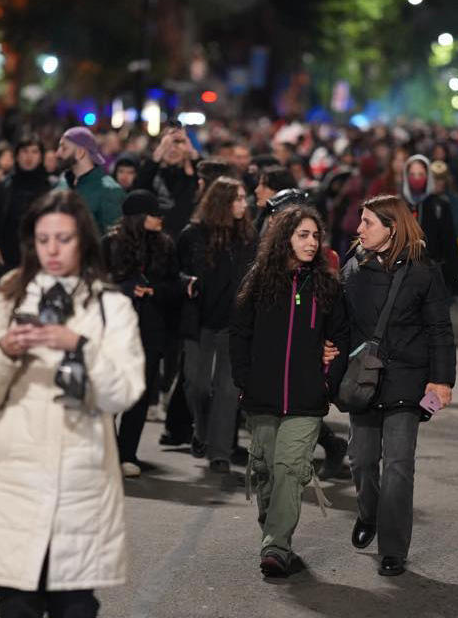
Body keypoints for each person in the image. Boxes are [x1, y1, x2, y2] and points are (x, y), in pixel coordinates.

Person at [0, 190, 144, 618]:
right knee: (17, 605)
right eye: (44, 240)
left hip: (81, 483)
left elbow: (125, 391)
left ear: (84, 241)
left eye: (64, 238)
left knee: (75, 607)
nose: (53, 250)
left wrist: (79, 345)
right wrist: (3, 349)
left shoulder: (109, 307)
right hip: (15, 481)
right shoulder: (8, 299)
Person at [230, 205, 350, 578]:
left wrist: (328, 381)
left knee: (289, 468)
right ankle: (273, 529)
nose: (312, 243)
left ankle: (277, 546)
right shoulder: (258, 280)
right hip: (261, 396)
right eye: (303, 235)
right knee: (265, 470)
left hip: (306, 400)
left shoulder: (327, 286)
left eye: (315, 236)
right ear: (285, 238)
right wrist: (244, 380)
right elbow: (239, 334)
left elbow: (342, 337)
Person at [342, 194, 455, 576]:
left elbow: (440, 328)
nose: (359, 229)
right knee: (360, 461)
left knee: (398, 466)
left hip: (407, 379)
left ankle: (393, 548)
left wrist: (441, 381)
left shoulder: (424, 270)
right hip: (364, 380)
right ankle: (369, 514)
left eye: (368, 222)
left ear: (391, 229)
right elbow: (340, 323)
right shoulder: (352, 266)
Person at [177, 176, 257, 473]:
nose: (243, 203)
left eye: (243, 197)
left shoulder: (248, 236)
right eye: (236, 198)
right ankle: (201, 430)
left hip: (233, 323)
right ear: (222, 202)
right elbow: (175, 272)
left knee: (226, 389)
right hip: (198, 320)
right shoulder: (192, 235)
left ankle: (219, 453)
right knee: (196, 384)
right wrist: (185, 282)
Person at [102, 190, 182, 477]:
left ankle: (127, 453)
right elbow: (95, 283)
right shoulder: (110, 244)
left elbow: (174, 286)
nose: (160, 218)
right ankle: (107, 450)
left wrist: (155, 290)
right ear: (138, 217)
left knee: (139, 391)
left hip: (151, 327)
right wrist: (125, 288)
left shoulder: (166, 245)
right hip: (115, 327)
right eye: (154, 213)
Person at [400, 154, 458, 296]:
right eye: (412, 174)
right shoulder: (398, 204)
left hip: (432, 274)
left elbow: (450, 243)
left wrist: (455, 280)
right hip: (403, 274)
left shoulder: (439, 204)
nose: (417, 178)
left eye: (421, 174)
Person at [0, 137, 51, 271]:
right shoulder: (3, 187)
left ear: (41, 157)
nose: (29, 156)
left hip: (41, 260)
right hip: (6, 260)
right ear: (17, 155)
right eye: (25, 151)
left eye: (34, 152)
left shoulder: (50, 189)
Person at [58, 126, 125, 232]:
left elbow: (113, 241)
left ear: (80, 152)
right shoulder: (63, 184)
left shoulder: (109, 190)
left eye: (64, 148)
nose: (58, 153)